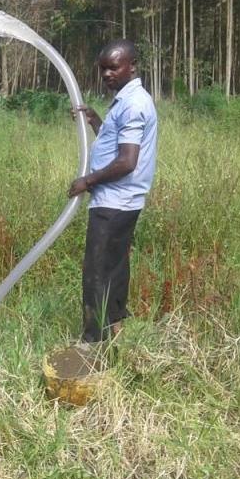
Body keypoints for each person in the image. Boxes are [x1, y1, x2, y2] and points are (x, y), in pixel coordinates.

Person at [67, 39, 158, 343]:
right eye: (103, 68)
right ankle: (116, 331)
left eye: (113, 67)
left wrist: (87, 181)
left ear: (132, 66)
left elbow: (127, 161)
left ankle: (93, 344)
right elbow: (115, 148)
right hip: (122, 201)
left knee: (96, 274)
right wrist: (95, 121)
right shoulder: (127, 100)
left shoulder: (133, 104)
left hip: (113, 202)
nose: (106, 73)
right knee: (114, 269)